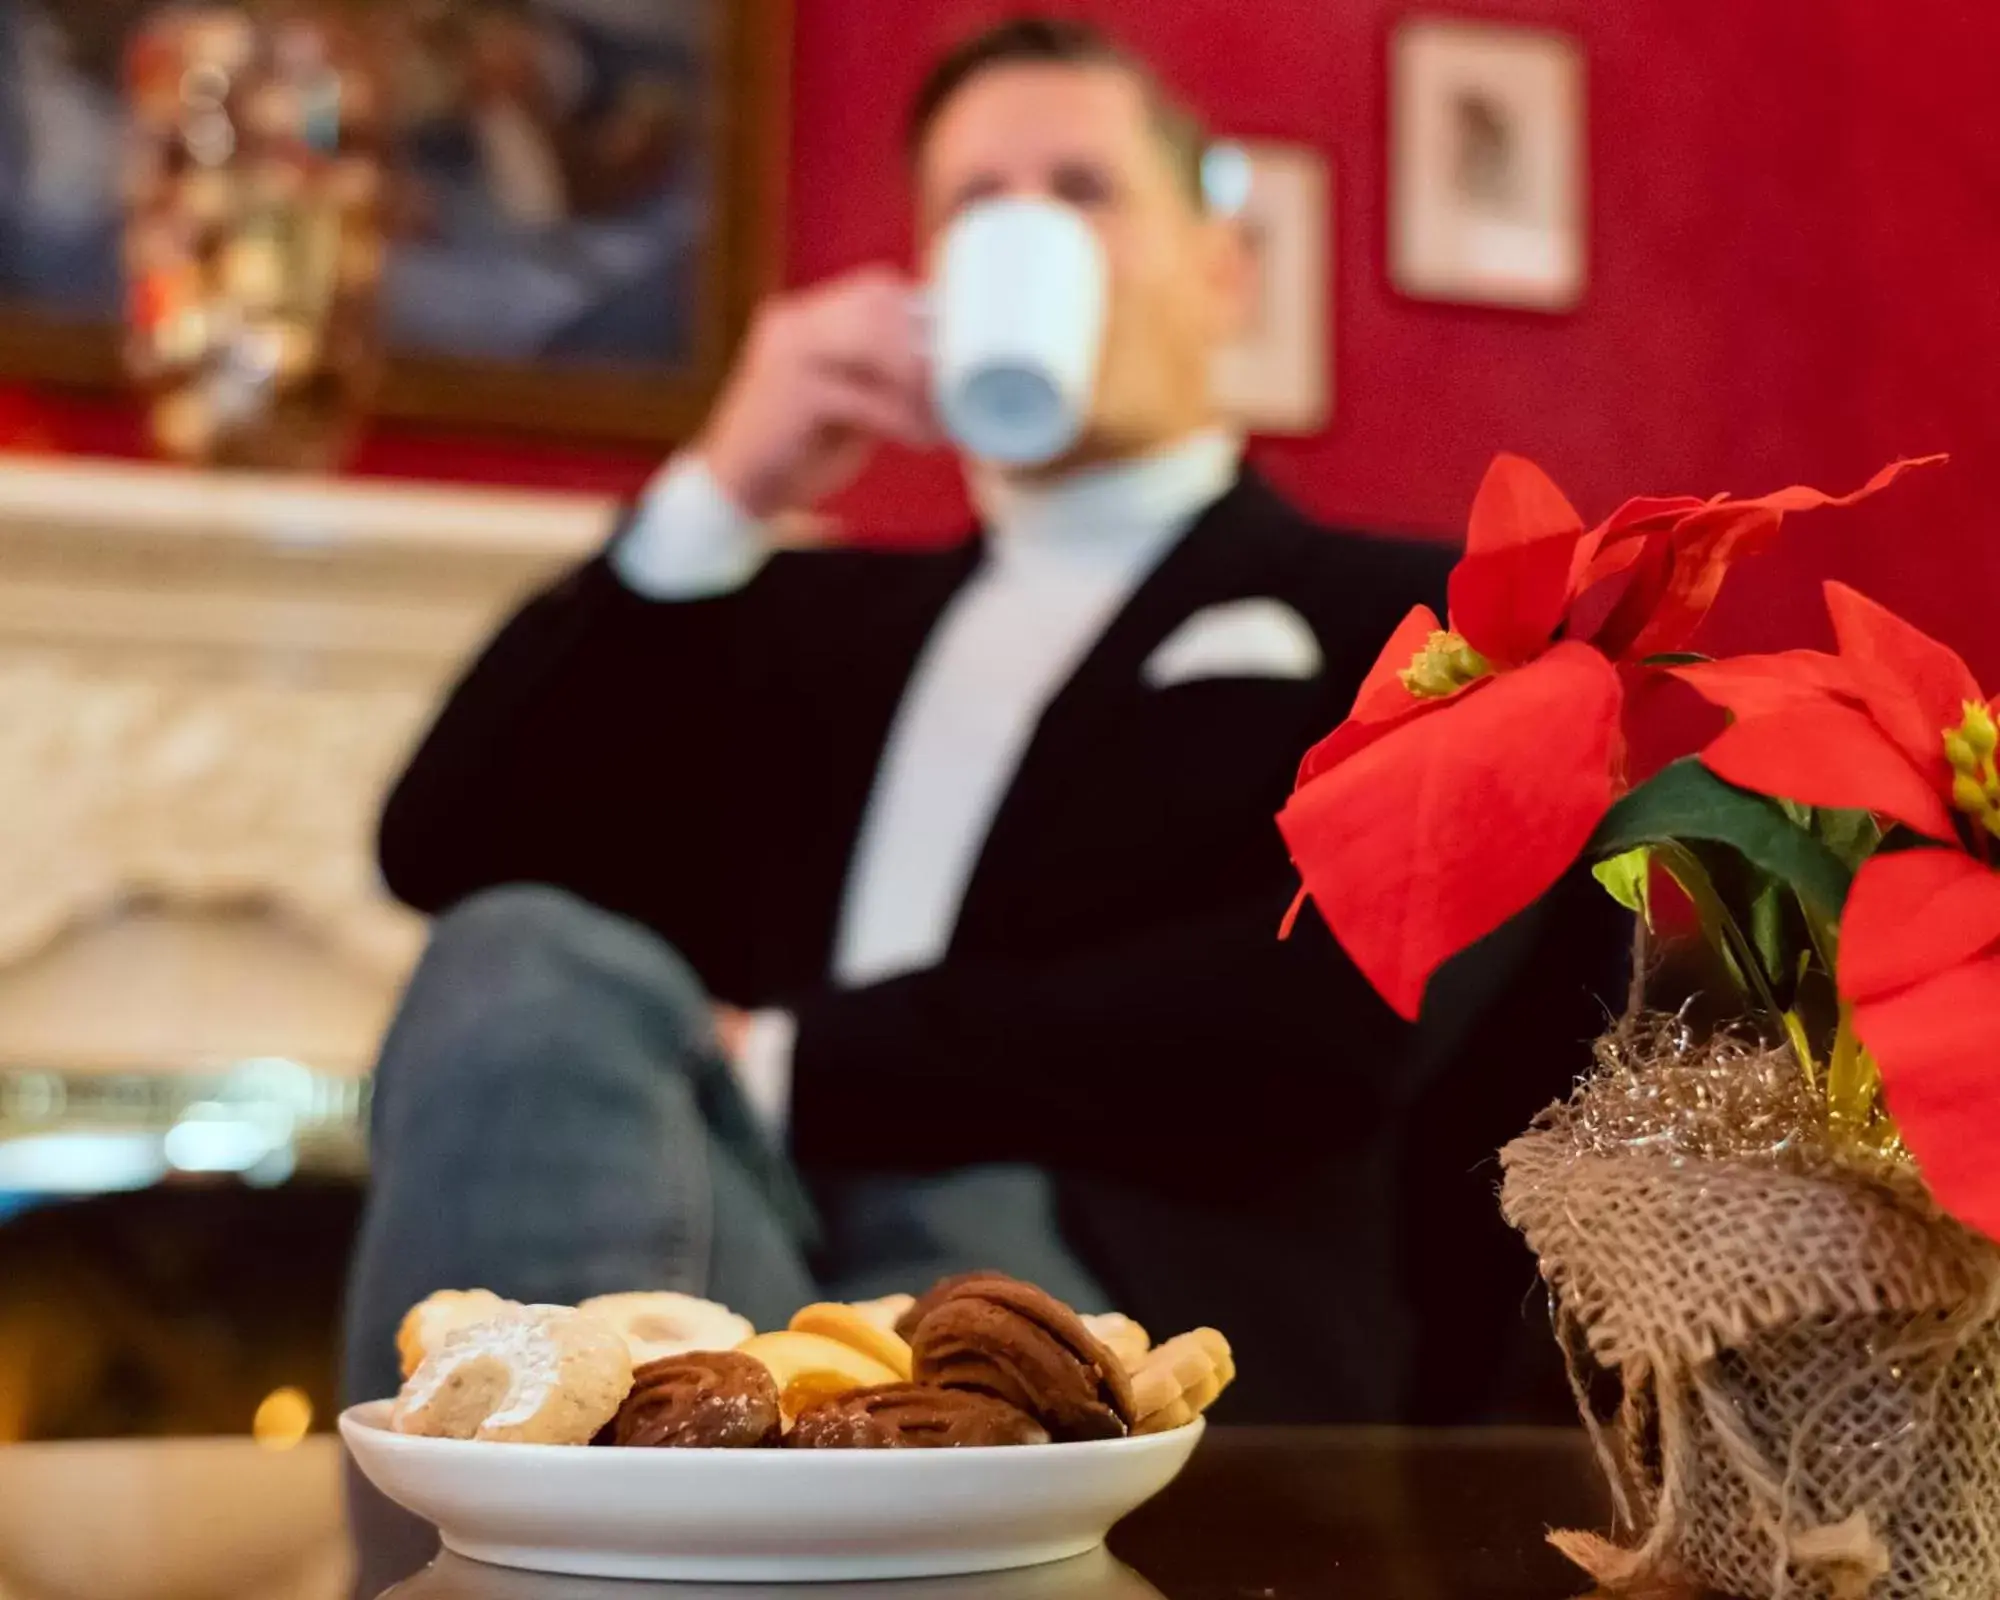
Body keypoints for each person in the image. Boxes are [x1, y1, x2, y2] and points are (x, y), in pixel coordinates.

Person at [343, 15, 1612, 1422]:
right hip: (723, 1224)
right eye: (976, 205)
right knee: (518, 952)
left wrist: (789, 1065)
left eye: (1080, 191)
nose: (1027, 231)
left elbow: (1315, 1031)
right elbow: (443, 843)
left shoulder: (1407, 616)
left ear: (1224, 268)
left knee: (951, 1254)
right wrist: (720, 485)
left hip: (1084, 1274)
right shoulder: (806, 624)